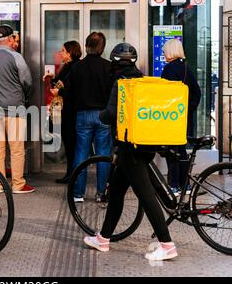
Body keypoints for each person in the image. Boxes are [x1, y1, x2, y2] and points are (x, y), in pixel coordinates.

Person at [84, 43, 178, 261]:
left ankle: (167, 244)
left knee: (146, 196)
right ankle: (104, 238)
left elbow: (110, 114)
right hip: (144, 145)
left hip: (130, 148)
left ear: (114, 62)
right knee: (116, 192)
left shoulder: (121, 83)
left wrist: (100, 116)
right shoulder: (142, 80)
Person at [0, 25, 35, 194]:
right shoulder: (16, 57)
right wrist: (24, 98)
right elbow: (27, 82)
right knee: (17, 149)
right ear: (10, 39)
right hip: (14, 110)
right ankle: (18, 184)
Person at [68, 32, 113, 202]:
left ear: (87, 45)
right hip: (103, 115)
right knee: (103, 154)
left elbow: (70, 94)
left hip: (83, 115)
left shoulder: (76, 67)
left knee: (81, 153)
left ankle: (78, 194)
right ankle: (101, 193)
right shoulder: (108, 67)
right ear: (102, 47)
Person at [161, 39, 201, 195]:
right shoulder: (185, 68)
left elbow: (165, 96)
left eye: (165, 51)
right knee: (182, 151)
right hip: (183, 118)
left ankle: (174, 185)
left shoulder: (169, 69)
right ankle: (186, 185)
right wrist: (187, 110)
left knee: (172, 151)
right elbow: (197, 92)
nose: (163, 53)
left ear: (170, 52)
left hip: (172, 118)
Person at [44, 41, 82, 184]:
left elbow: (74, 90)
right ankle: (70, 173)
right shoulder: (67, 67)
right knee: (69, 144)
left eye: (63, 51)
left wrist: (59, 91)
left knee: (72, 144)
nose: (61, 53)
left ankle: (72, 175)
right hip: (65, 111)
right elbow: (60, 82)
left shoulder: (76, 67)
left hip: (72, 112)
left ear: (70, 53)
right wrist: (51, 78)